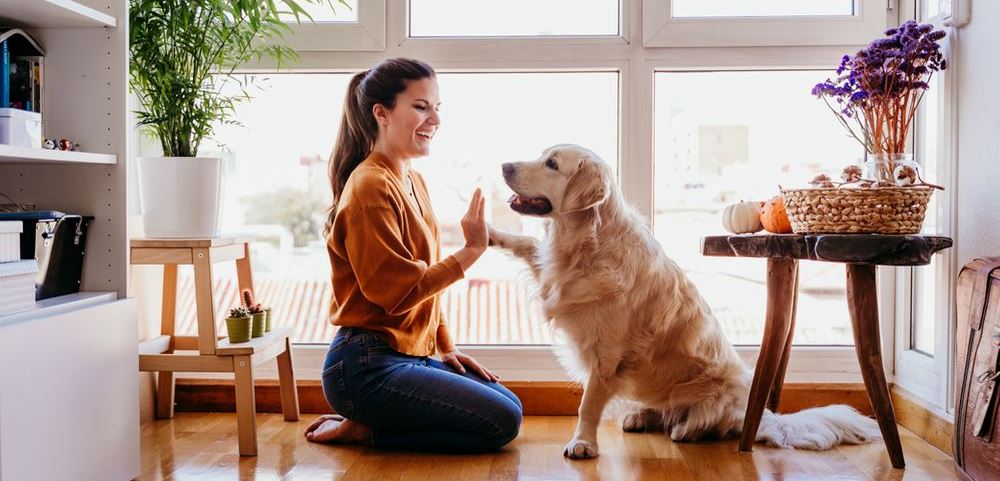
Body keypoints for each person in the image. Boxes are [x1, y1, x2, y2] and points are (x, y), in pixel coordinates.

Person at [304, 58, 522, 452]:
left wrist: (446, 346)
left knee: (509, 404)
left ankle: (370, 423)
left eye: (437, 107)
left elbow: (425, 290)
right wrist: (472, 250)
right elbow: (397, 294)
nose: (434, 118)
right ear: (381, 113)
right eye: (421, 106)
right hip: (364, 366)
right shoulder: (370, 187)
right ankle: (365, 429)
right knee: (502, 422)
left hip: (406, 354)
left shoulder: (411, 179)